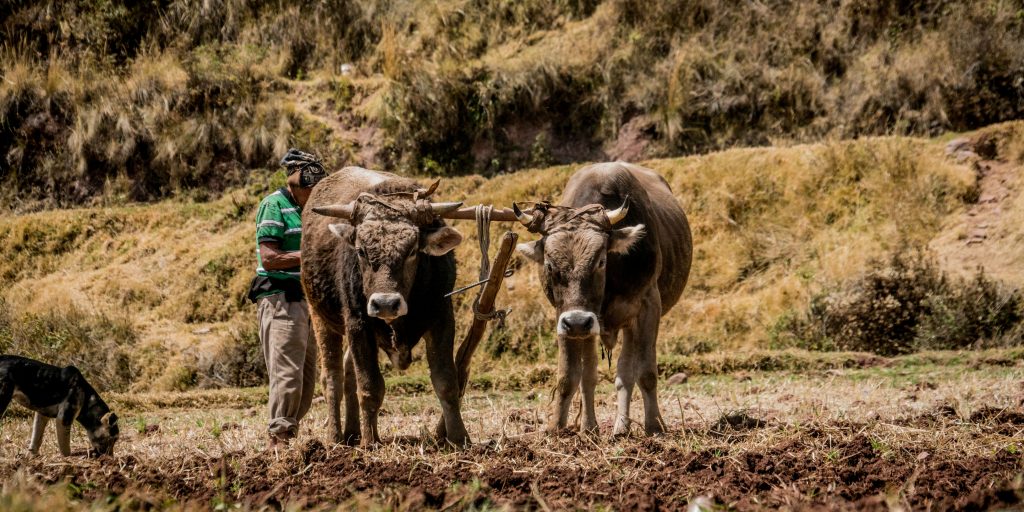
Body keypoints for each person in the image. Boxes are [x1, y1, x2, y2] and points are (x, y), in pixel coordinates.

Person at [247, 148, 327, 448]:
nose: (311, 190)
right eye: (307, 184)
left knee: (306, 381)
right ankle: (278, 439)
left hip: (307, 299)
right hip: (281, 298)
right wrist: (312, 255)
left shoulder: (312, 209)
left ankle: (289, 432)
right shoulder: (274, 205)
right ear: (293, 180)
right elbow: (269, 258)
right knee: (287, 374)